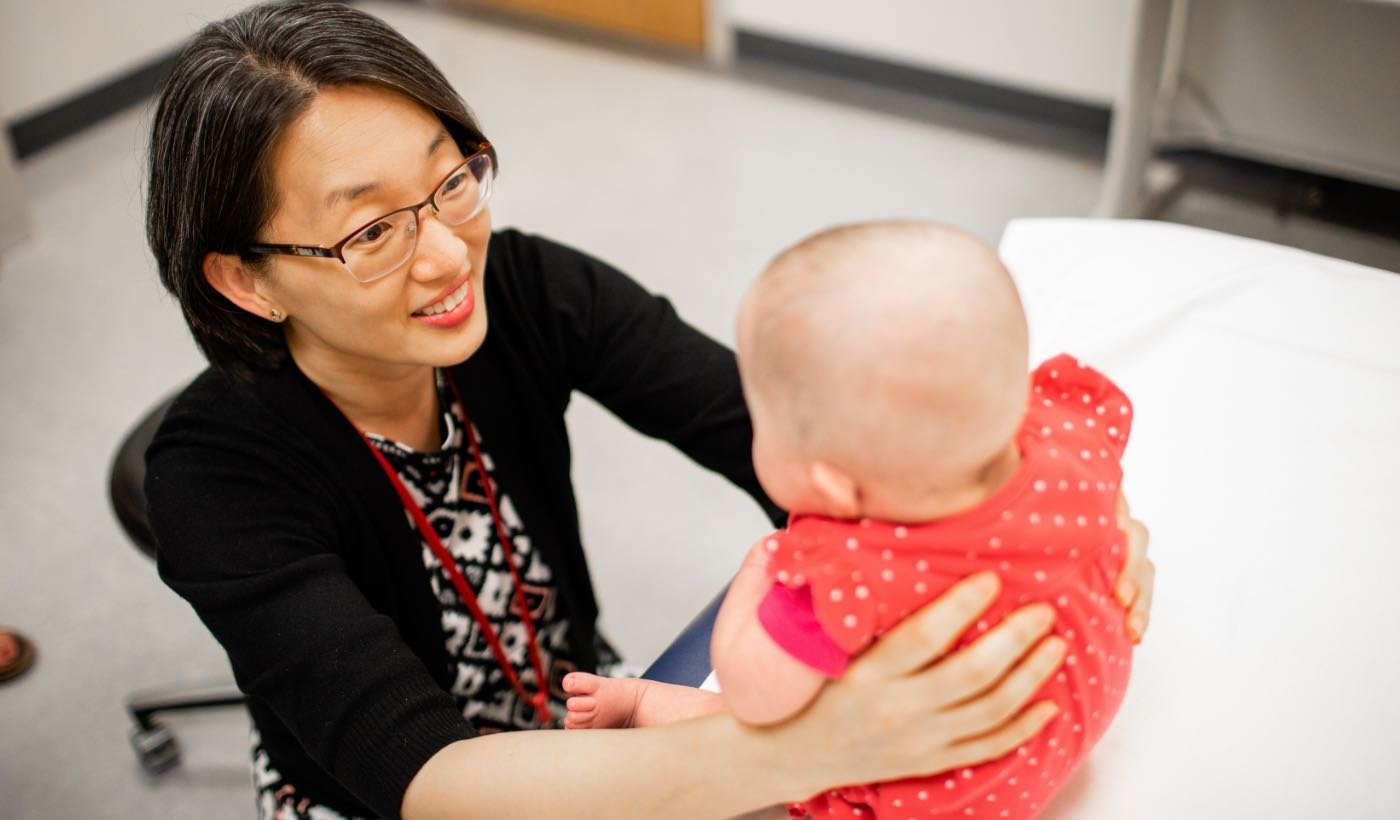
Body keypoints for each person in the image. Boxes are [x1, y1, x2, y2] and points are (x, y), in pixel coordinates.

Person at [141, 4, 1154, 819]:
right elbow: (425, 776)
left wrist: (1030, 531)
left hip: (574, 716)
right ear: (246, 280)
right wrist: (821, 746)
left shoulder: (529, 291)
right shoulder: (213, 475)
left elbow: (787, 438)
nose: (451, 255)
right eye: (370, 232)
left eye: (451, 180)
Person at [563, 221, 1144, 819]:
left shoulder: (845, 571)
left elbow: (753, 695)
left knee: (765, 733)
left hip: (929, 793)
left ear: (832, 486)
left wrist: (758, 571)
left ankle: (642, 704)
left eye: (762, 424)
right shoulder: (1066, 430)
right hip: (1056, 730)